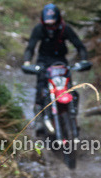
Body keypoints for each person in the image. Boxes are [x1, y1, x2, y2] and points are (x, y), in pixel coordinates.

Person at [22, 3, 87, 133]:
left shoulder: (65, 29)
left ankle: (72, 115)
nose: (51, 28)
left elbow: (79, 46)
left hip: (60, 62)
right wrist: (27, 63)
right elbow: (30, 48)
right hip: (43, 62)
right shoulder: (39, 29)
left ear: (58, 20)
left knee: (70, 88)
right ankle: (40, 119)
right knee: (41, 88)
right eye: (48, 25)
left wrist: (84, 60)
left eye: (53, 24)